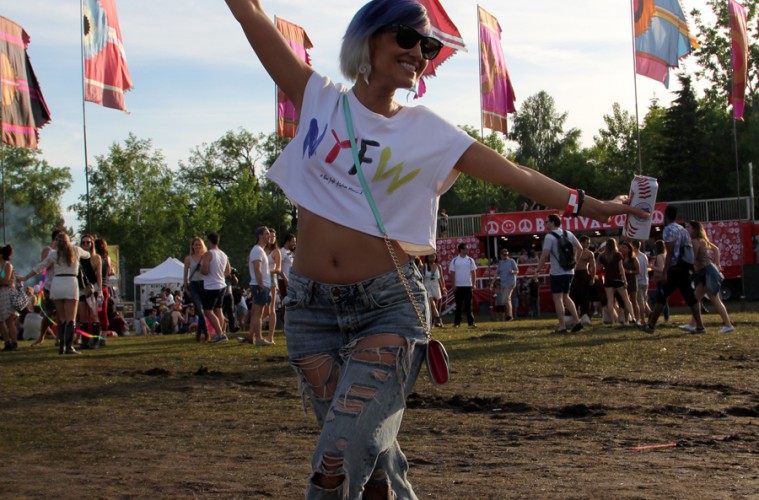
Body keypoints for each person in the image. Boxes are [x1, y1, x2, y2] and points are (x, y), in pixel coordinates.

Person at [225, 0, 645, 496]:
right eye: (407, 38)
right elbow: (250, 14)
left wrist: (595, 207)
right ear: (369, 38)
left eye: (427, 46)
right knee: (367, 453)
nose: (419, 54)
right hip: (310, 311)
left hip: (386, 306)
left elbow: (518, 175)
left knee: (337, 457)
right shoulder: (318, 98)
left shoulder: (428, 131)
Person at [19, 233, 91, 354]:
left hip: (57, 284)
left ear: (57, 242)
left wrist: (25, 277)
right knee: (71, 319)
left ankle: (61, 346)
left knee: (61, 318)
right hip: (70, 283)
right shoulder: (76, 250)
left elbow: (40, 267)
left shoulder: (53, 254)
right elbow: (88, 255)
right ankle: (69, 346)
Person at [640, 206, 704, 334]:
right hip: (684, 267)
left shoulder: (668, 230)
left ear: (666, 216)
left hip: (674, 268)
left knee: (662, 296)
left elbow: (669, 252)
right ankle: (700, 326)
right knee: (690, 297)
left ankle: (651, 326)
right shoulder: (683, 229)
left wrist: (665, 272)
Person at [532, 214, 583, 333]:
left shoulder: (549, 237)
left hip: (557, 272)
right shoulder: (568, 233)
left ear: (553, 222)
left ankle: (562, 326)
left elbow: (545, 255)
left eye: (547, 222)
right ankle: (577, 321)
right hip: (569, 271)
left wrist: (537, 270)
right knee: (566, 297)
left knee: (558, 298)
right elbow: (580, 248)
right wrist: (575, 262)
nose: (545, 224)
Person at [682, 220, 735, 334]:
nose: (687, 229)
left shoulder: (695, 241)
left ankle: (728, 325)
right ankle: (692, 324)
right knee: (696, 299)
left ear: (694, 229)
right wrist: (718, 264)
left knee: (714, 299)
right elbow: (716, 249)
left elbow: (693, 258)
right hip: (706, 271)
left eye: (689, 227)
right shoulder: (703, 240)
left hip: (706, 273)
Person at [243, 226, 273, 346]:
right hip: (259, 285)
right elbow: (257, 269)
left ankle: (251, 336)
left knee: (258, 312)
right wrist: (261, 285)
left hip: (261, 285)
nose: (269, 236)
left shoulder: (260, 250)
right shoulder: (257, 250)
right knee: (258, 313)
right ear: (260, 236)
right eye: (267, 233)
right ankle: (259, 339)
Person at [200, 232, 231, 343]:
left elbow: (204, 271)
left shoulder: (208, 254)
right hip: (222, 285)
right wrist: (219, 274)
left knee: (208, 311)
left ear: (208, 241)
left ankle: (220, 334)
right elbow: (228, 271)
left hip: (211, 286)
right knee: (218, 310)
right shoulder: (223, 254)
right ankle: (221, 333)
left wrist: (201, 268)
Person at [598, 239, 636, 327]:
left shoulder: (603, 256)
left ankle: (613, 320)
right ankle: (633, 317)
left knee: (610, 301)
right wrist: (625, 280)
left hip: (608, 280)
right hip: (618, 279)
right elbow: (621, 268)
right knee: (626, 299)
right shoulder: (618, 255)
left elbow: (600, 267)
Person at [77, 234, 102, 350]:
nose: (86, 244)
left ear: (92, 244)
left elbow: (99, 276)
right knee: (82, 316)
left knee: (93, 314)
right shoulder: (78, 258)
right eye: (83, 242)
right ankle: (85, 341)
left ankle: (96, 341)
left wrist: (100, 291)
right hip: (81, 289)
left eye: (88, 242)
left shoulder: (96, 258)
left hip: (93, 288)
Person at [184, 237, 209, 342]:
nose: (198, 246)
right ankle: (206, 332)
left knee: (203, 310)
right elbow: (185, 274)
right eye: (196, 244)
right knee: (198, 308)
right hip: (193, 284)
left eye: (199, 244)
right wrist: (186, 286)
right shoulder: (188, 259)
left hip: (204, 284)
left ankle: (198, 333)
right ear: (192, 246)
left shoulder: (205, 257)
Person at [569, 235, 596, 326]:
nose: (588, 245)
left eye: (589, 243)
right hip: (574, 274)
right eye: (587, 243)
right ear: (581, 242)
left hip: (584, 274)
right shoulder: (573, 250)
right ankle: (572, 316)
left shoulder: (589, 253)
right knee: (572, 295)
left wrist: (592, 278)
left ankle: (585, 315)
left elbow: (593, 266)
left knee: (585, 296)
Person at [449, 243, 477, 328]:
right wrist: (453, 285)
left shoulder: (470, 260)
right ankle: (457, 323)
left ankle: (471, 323)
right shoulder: (455, 260)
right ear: (461, 249)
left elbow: (473, 272)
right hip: (458, 286)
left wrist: (474, 284)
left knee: (469, 306)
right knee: (459, 306)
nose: (467, 250)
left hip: (468, 285)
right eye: (465, 248)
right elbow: (452, 273)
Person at [0, 245, 20, 351]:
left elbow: (5, 280)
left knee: (9, 320)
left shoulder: (7, 265)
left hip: (6, 294)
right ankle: (7, 342)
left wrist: (4, 281)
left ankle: (14, 343)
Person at [94, 238, 113, 346]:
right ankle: (103, 336)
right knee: (102, 312)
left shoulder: (96, 258)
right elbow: (110, 272)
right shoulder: (107, 258)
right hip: (105, 289)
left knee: (96, 312)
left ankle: (98, 336)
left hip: (97, 289)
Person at [264, 228, 282, 343]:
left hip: (271, 280)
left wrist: (268, 270)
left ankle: (270, 337)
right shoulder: (261, 249)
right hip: (261, 280)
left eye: (274, 236)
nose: (272, 238)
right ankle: (253, 333)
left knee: (271, 308)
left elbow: (279, 269)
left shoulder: (276, 251)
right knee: (260, 308)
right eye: (270, 236)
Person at [491, 249, 518, 321]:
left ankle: (509, 315)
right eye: (504, 254)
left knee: (505, 299)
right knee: (507, 300)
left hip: (510, 283)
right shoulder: (500, 263)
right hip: (503, 284)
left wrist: (513, 271)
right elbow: (496, 273)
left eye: (507, 254)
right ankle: (509, 315)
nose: (506, 256)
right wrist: (492, 282)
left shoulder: (512, 261)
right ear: (501, 255)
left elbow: (517, 271)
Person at [423, 253, 446, 327]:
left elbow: (441, 278)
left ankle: (432, 322)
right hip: (427, 286)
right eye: (430, 257)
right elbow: (422, 277)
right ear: (427, 257)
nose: (432, 258)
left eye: (433, 256)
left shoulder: (438, 266)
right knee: (432, 305)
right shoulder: (424, 266)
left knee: (435, 306)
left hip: (436, 287)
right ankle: (439, 320)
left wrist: (443, 288)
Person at [620, 241, 640, 324]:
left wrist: (629, 271)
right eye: (622, 248)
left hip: (632, 280)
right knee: (626, 300)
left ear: (629, 249)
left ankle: (637, 319)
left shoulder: (633, 259)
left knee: (634, 300)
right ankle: (626, 319)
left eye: (624, 248)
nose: (622, 249)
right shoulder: (621, 259)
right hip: (624, 281)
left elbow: (638, 270)